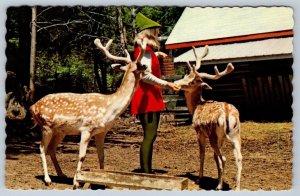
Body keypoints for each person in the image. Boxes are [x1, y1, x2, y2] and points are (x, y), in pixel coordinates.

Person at [131, 13, 180, 173]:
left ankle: (147, 169)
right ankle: (146, 172)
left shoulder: (145, 50)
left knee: (150, 135)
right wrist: (167, 84)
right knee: (150, 136)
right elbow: (145, 76)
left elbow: (146, 64)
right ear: (150, 33)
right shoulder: (144, 50)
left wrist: (156, 55)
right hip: (147, 98)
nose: (158, 34)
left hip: (148, 97)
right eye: (156, 31)